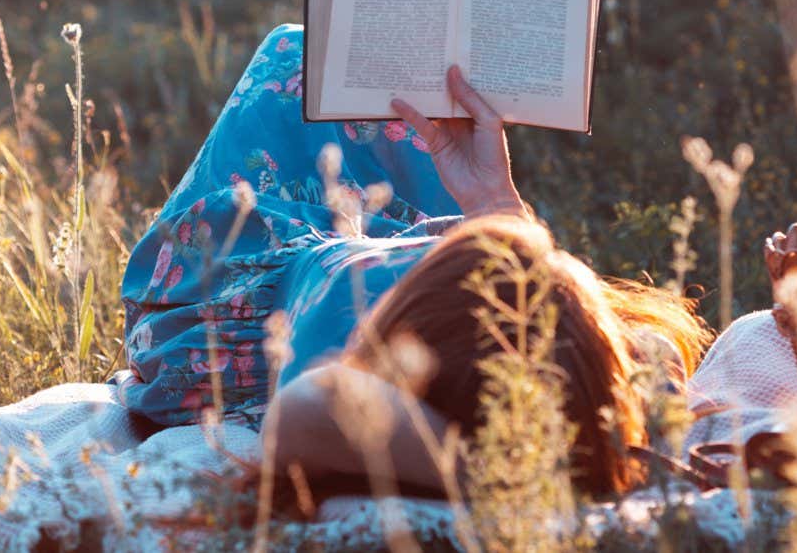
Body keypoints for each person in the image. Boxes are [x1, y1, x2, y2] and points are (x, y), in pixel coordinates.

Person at [115, 24, 712, 499]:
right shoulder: (591, 371)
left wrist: (509, 475)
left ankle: (485, 242)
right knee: (340, 66)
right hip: (407, 259)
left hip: (258, 279)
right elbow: (653, 357)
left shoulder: (374, 395)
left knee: (295, 54)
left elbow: (304, 414)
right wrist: (497, 203)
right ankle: (490, 233)